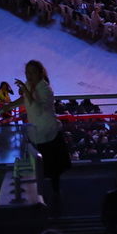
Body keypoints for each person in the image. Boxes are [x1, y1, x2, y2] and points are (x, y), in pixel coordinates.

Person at [18, 59, 69, 211]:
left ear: (40, 73)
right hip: (36, 132)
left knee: (53, 168)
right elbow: (26, 100)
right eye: (27, 72)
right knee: (41, 167)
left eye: (32, 72)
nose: (29, 75)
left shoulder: (45, 89)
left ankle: (54, 196)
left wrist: (26, 90)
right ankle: (41, 195)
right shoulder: (29, 85)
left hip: (48, 132)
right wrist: (9, 105)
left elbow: (38, 108)